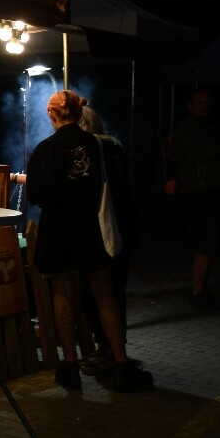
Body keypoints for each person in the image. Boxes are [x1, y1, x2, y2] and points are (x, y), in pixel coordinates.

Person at [25, 90, 153, 393]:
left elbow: (36, 195)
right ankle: (121, 364)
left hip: (58, 230)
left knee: (62, 293)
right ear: (79, 112)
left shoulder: (45, 149)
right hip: (92, 228)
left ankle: (69, 366)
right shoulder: (99, 145)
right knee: (104, 294)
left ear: (51, 114)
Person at [76, 105, 138, 376]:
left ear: (83, 125)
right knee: (115, 292)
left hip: (103, 229)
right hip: (124, 226)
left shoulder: (93, 148)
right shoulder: (115, 145)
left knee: (96, 294)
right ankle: (115, 348)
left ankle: (108, 351)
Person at [170, 88, 220, 309]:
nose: (204, 106)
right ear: (190, 105)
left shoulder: (211, 127)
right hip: (198, 192)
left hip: (213, 190)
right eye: (199, 102)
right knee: (205, 242)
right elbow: (209, 150)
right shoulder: (188, 127)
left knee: (211, 241)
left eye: (207, 102)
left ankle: (201, 290)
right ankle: (197, 292)